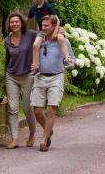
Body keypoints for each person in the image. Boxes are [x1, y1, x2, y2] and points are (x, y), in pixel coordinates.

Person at [30, 15, 75, 152]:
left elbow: (72, 60)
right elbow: (34, 50)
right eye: (42, 26)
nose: (43, 28)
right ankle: (48, 131)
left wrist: (69, 60)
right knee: (37, 110)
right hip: (40, 77)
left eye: (46, 26)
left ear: (54, 27)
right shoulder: (40, 40)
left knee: (51, 109)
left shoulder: (63, 41)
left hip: (56, 77)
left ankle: (44, 140)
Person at [3, 13, 37, 149]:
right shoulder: (7, 40)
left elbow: (44, 37)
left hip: (28, 76)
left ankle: (32, 133)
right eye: (12, 22)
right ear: (9, 25)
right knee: (12, 109)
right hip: (11, 76)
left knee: (28, 108)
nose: (15, 24)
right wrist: (4, 79)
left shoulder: (31, 35)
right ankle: (15, 139)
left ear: (21, 23)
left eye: (17, 22)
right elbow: (7, 60)